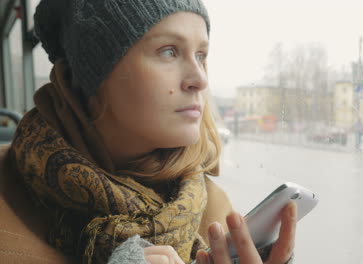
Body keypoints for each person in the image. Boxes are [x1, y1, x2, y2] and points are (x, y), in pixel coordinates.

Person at [7, 0, 297, 263]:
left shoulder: (215, 210)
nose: (200, 79)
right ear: (93, 77)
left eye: (201, 55)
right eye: (169, 51)